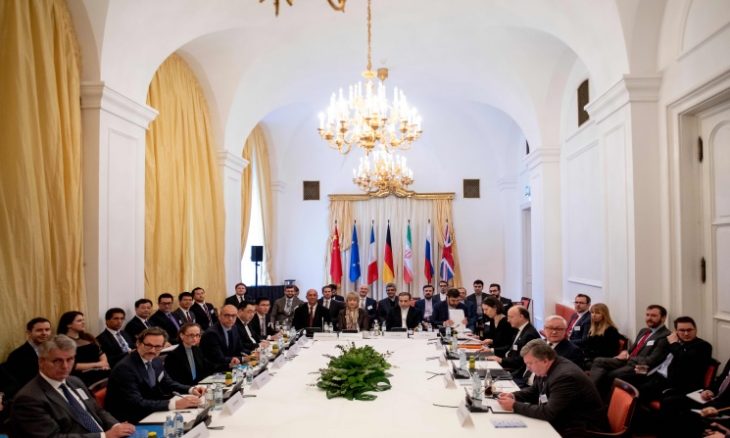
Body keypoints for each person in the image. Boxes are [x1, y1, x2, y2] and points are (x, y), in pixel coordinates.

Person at [10, 335, 136, 438]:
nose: (65, 366)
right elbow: (52, 436)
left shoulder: (75, 381)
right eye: (57, 361)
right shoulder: (29, 398)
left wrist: (116, 426)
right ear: (41, 362)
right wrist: (104, 436)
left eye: (70, 359)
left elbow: (97, 410)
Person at [497, 339, 605, 437]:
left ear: (545, 360)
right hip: (562, 420)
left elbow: (549, 413)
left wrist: (514, 405)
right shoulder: (549, 366)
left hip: (580, 429)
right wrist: (513, 395)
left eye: (530, 363)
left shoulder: (564, 377)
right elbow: (535, 390)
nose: (528, 368)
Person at [106, 327, 204, 423]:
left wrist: (191, 389)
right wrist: (174, 404)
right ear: (138, 343)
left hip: (152, 410)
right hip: (131, 418)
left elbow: (167, 382)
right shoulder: (125, 368)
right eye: (148, 345)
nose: (152, 350)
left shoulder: (155, 360)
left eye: (158, 347)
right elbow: (136, 402)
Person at [590, 304, 670, 398]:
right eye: (647, 315)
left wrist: (630, 358)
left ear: (663, 318)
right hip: (627, 361)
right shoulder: (644, 331)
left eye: (653, 316)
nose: (649, 318)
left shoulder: (665, 336)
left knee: (612, 374)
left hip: (640, 367)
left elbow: (651, 360)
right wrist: (625, 352)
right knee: (598, 361)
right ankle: (591, 392)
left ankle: (598, 399)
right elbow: (633, 349)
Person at [634, 316, 712, 402]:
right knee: (631, 381)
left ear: (696, 330)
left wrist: (674, 343)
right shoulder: (670, 342)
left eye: (689, 330)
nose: (686, 333)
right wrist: (641, 370)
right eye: (682, 330)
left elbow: (684, 360)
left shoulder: (703, 346)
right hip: (656, 376)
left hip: (678, 384)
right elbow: (657, 360)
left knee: (641, 392)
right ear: (676, 331)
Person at [658, 358, 730, 437]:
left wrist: (719, 409)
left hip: (722, 406)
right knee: (669, 402)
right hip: (712, 398)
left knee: (688, 415)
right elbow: (721, 379)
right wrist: (709, 390)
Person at [57, 311, 110, 387]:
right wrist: (97, 365)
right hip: (80, 376)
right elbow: (72, 365)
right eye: (79, 321)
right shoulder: (62, 341)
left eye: (83, 320)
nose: (83, 323)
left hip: (100, 371)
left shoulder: (88, 337)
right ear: (69, 325)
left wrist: (103, 364)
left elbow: (102, 354)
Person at [487, 305, 540, 377]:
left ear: (521, 316)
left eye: (511, 317)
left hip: (514, 371)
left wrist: (501, 360)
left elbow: (521, 361)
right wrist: (491, 350)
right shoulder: (519, 329)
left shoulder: (529, 335)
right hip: (507, 363)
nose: (508, 320)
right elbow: (510, 348)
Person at [4, 317, 52, 394]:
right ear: (29, 332)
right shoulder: (17, 355)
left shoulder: (54, 350)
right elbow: (18, 384)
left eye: (47, 330)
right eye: (39, 330)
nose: (44, 333)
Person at [200, 304, 244, 369]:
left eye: (233, 316)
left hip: (232, 366)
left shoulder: (234, 327)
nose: (230, 319)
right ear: (219, 316)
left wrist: (252, 354)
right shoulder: (211, 333)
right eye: (227, 315)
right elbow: (219, 358)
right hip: (216, 369)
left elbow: (240, 348)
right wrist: (243, 359)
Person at [582, 303, 622, 367]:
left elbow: (610, 352)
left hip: (602, 361)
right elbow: (587, 346)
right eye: (592, 312)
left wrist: (589, 357)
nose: (594, 315)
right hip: (590, 359)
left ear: (604, 315)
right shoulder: (592, 329)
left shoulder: (611, 330)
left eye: (597, 313)